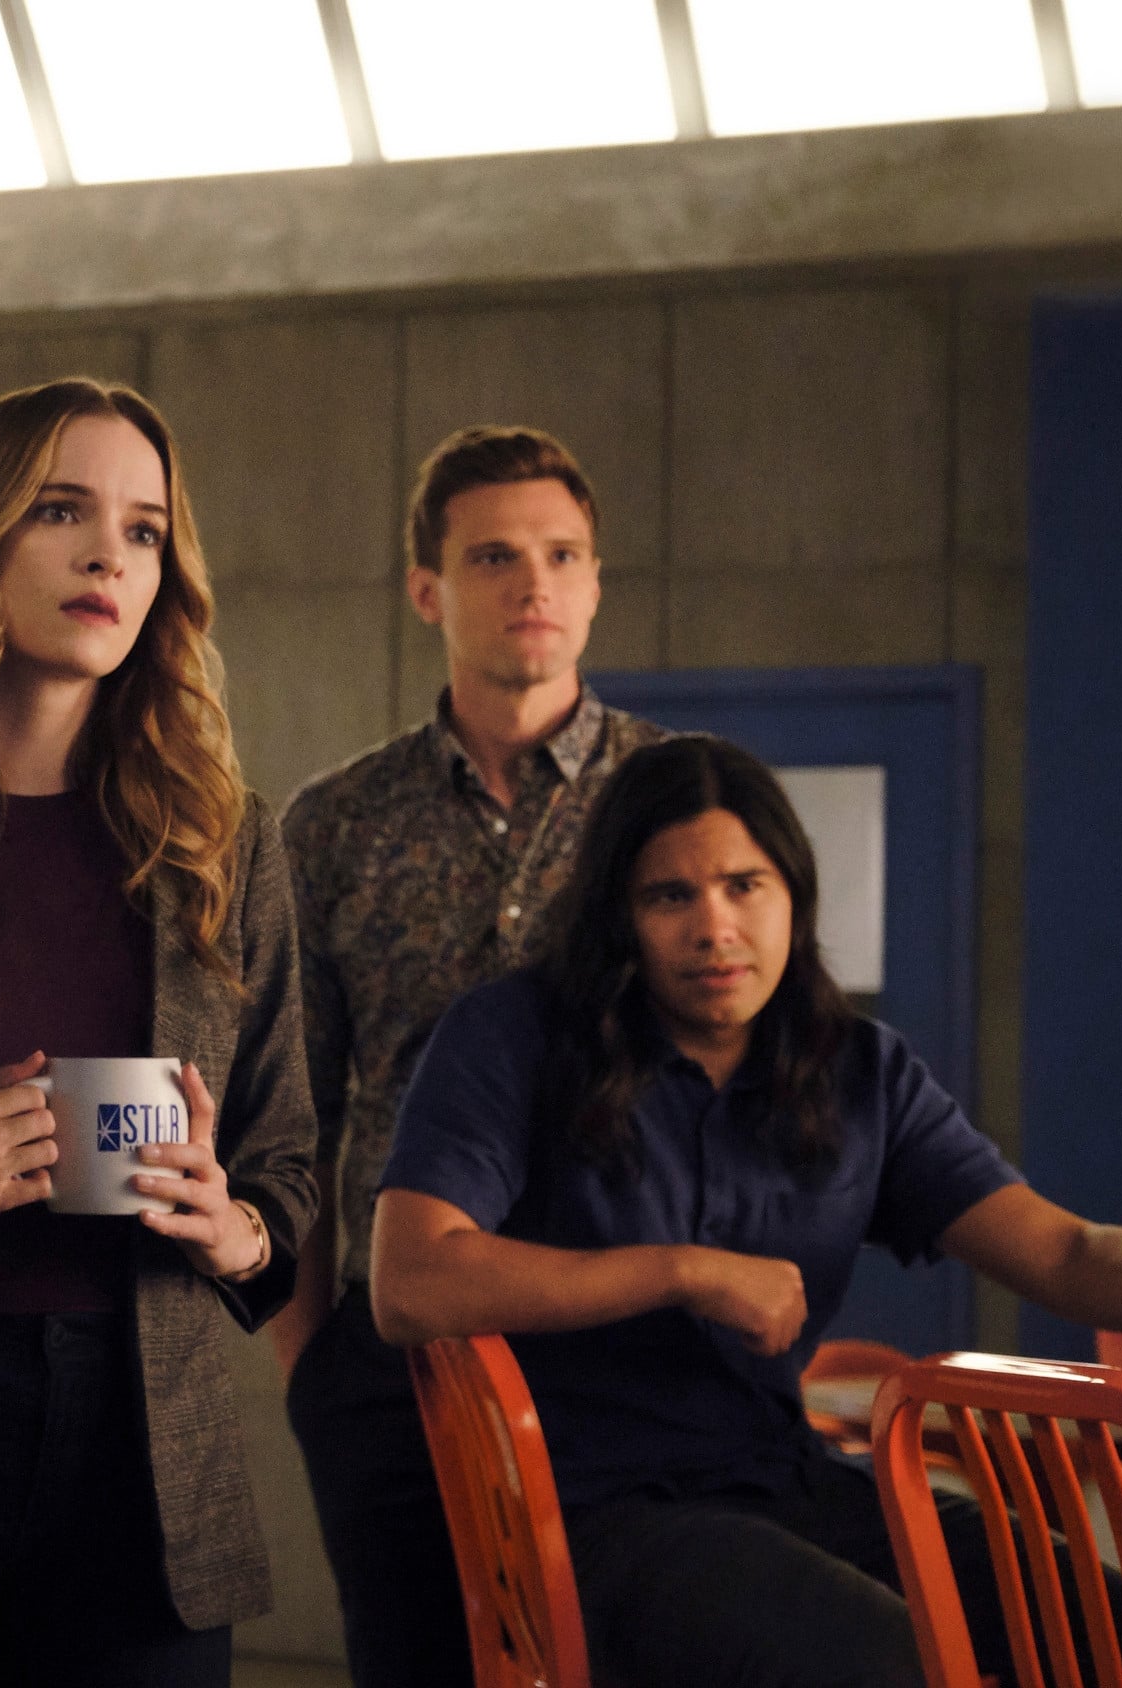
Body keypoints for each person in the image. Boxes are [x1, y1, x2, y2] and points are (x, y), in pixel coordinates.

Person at [371, 734, 1122, 1688]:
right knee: (894, 1666)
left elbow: (1068, 1255)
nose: (715, 928)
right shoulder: (515, 1033)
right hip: (589, 1517)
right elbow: (411, 1283)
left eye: (745, 886)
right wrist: (683, 1271)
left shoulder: (859, 1069)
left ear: (794, 897)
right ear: (618, 916)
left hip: (791, 1482)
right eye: (669, 897)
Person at [0, 379, 318, 1688]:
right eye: (61, 512)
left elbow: (287, 1164)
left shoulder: (224, 840)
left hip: (147, 1442)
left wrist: (233, 1225)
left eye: (144, 530)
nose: (109, 557)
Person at [270, 424, 663, 1687]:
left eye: (562, 554)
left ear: (595, 583)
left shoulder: (674, 798)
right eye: (494, 555)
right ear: (428, 590)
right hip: (395, 1358)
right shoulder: (336, 822)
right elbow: (289, 1112)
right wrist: (311, 1363)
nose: (533, 581)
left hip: (622, 1342)